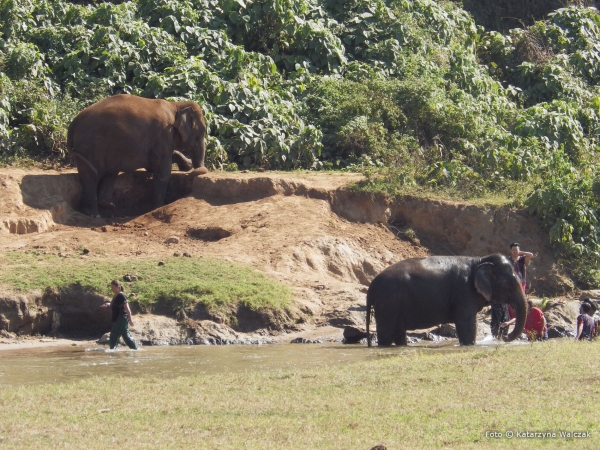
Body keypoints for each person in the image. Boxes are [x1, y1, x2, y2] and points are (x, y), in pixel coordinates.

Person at [101, 280, 138, 350]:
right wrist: (108, 304)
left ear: (118, 287)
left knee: (114, 336)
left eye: (113, 287)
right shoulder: (116, 295)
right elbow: (114, 305)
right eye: (111, 287)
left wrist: (130, 320)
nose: (111, 289)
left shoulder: (121, 295)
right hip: (120, 319)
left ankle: (112, 350)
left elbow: (127, 309)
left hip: (120, 319)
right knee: (126, 336)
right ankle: (135, 349)